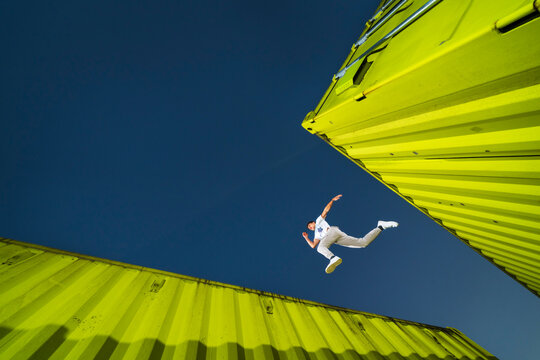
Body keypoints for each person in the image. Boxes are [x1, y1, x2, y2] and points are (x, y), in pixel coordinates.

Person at [302, 194, 398, 274]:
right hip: (337, 238)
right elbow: (313, 245)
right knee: (363, 243)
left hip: (332, 232)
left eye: (310, 225)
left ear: (313, 223)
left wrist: (332, 200)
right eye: (309, 228)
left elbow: (325, 210)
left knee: (320, 248)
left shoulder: (318, 221)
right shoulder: (316, 235)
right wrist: (306, 237)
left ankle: (333, 258)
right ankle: (381, 226)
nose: (310, 227)